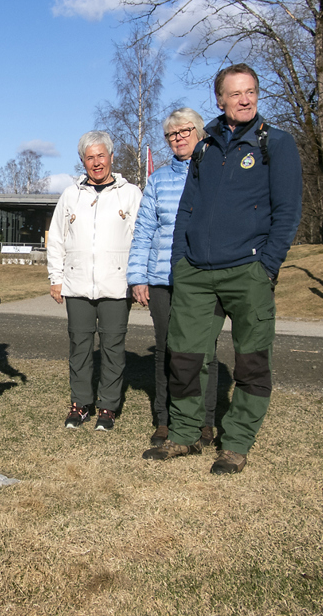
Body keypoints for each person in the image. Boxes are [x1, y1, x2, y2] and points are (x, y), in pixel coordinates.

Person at [144, 64, 302, 474]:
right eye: (236, 94)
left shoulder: (275, 144)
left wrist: (267, 266)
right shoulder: (206, 147)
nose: (245, 100)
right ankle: (183, 434)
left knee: (251, 361)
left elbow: (287, 211)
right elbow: (187, 209)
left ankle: (235, 444)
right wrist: (180, 261)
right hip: (196, 273)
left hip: (248, 270)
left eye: (251, 91)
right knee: (184, 358)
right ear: (220, 100)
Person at [127, 109, 220, 453]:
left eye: (184, 131)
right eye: (171, 134)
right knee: (166, 349)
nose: (178, 138)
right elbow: (144, 231)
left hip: (205, 277)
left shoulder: (217, 172)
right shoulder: (159, 180)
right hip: (162, 278)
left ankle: (205, 420)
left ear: (200, 132)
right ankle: (164, 419)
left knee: (203, 351)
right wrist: (138, 277)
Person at [47, 131, 142, 431]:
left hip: (117, 286)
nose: (96, 162)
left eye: (101, 155)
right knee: (80, 347)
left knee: (113, 348)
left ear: (111, 157)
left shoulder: (131, 194)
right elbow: (57, 239)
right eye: (90, 157)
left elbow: (142, 239)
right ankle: (80, 404)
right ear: (82, 161)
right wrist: (56, 278)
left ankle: (108, 406)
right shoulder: (70, 195)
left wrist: (138, 278)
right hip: (76, 286)